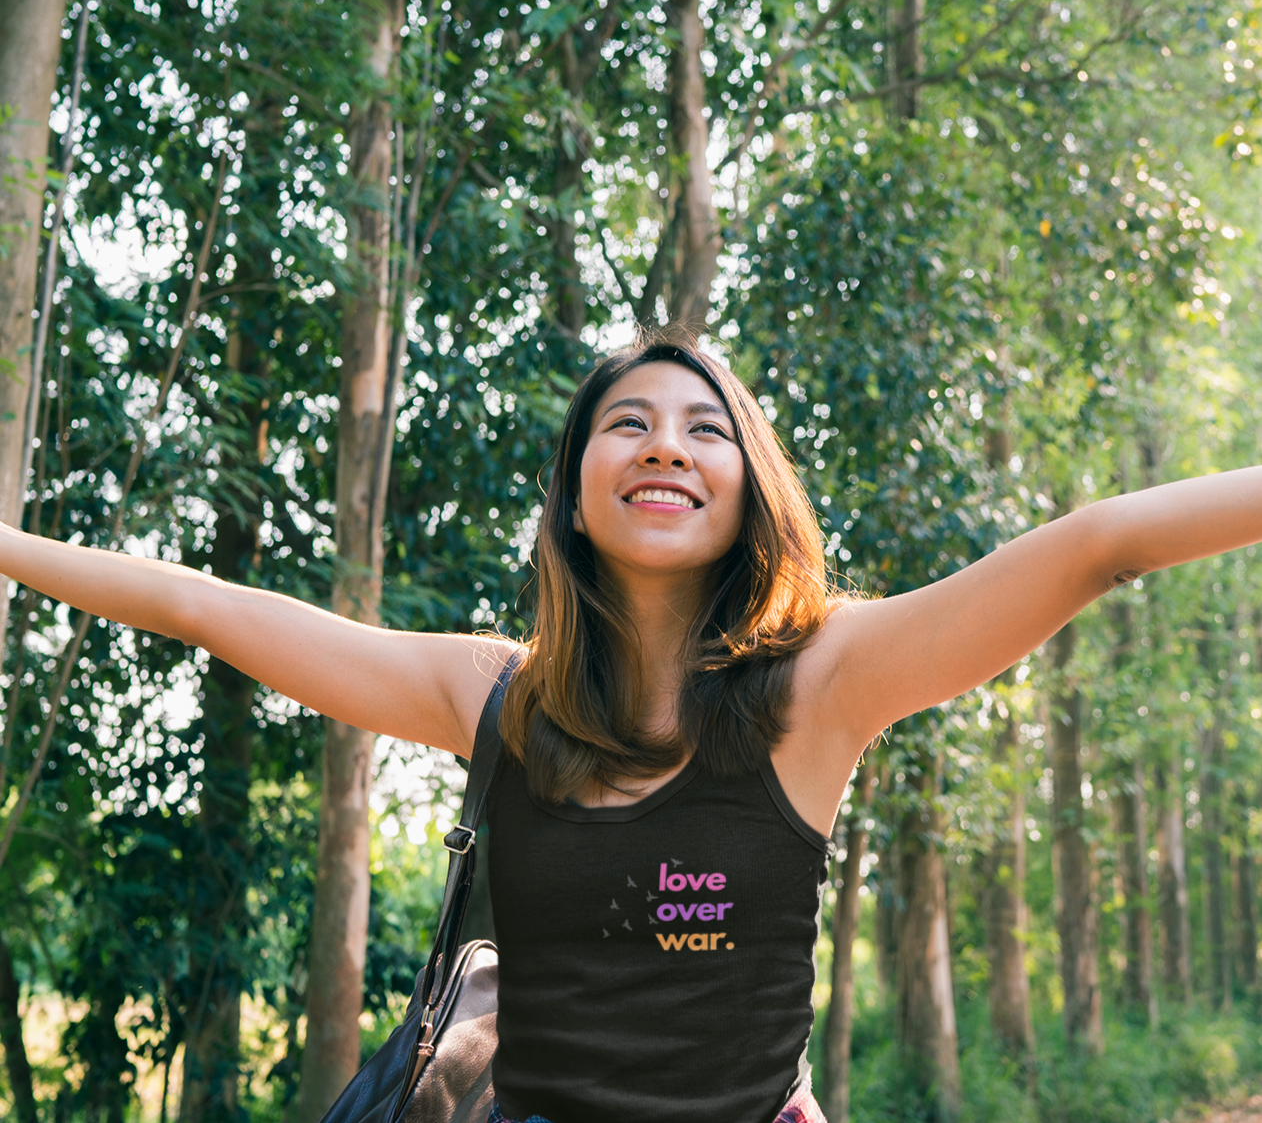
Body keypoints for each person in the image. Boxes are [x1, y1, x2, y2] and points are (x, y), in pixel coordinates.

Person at [1, 326, 1259, 1123]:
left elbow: (1098, 544)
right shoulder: (489, 691)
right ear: (578, 494)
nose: (667, 445)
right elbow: (205, 606)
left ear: (746, 488)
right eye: (628, 423)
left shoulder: (824, 680)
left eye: (705, 428)